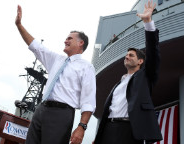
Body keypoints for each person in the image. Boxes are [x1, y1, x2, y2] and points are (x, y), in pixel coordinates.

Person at [15, 5, 96, 144]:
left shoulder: (86, 67)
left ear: (80, 43)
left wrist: (81, 127)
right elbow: (35, 46)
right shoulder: (56, 60)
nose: (65, 41)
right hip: (41, 109)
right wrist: (19, 25)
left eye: (70, 38)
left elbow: (88, 101)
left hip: (61, 114)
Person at [94, 0, 162, 144]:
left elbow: (153, 50)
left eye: (131, 55)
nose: (127, 56)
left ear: (140, 61)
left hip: (129, 130)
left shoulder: (145, 76)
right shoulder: (118, 85)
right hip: (108, 129)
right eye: (126, 55)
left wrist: (148, 23)